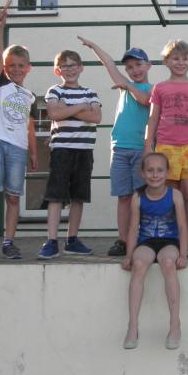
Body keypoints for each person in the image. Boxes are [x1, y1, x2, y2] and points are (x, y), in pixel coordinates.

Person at [0, 0, 38, 261]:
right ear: (5, 67)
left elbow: (30, 126)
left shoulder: (30, 96)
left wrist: (34, 153)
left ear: (28, 68)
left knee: (13, 197)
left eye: (20, 65)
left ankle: (9, 242)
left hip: (18, 149)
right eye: (11, 65)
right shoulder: (1, 84)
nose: (16, 69)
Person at [79, 36, 152, 257]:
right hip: (119, 148)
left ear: (148, 65)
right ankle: (123, 239)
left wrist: (127, 85)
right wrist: (94, 45)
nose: (134, 70)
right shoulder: (125, 86)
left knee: (141, 196)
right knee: (123, 196)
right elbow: (109, 64)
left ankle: (143, 237)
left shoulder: (153, 89)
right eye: (129, 67)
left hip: (140, 149)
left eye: (138, 65)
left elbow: (144, 100)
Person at [145, 40, 188, 258]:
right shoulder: (159, 88)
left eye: (185, 59)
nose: (180, 63)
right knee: (169, 196)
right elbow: (153, 119)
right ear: (166, 61)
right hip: (166, 148)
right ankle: (170, 240)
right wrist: (148, 146)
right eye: (175, 58)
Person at [37, 49, 102, 259]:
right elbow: (54, 113)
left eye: (73, 65)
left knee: (78, 197)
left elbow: (96, 117)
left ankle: (72, 240)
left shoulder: (90, 93)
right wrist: (82, 108)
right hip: (61, 150)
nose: (70, 69)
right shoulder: (55, 90)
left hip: (84, 151)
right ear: (58, 70)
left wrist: (70, 108)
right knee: (56, 196)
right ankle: (51, 241)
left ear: (81, 68)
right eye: (64, 66)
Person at [122, 152, 188, 350]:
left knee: (168, 263)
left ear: (167, 172)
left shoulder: (175, 195)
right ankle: (133, 325)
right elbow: (133, 228)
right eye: (150, 170)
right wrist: (128, 255)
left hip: (169, 242)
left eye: (160, 170)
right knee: (139, 264)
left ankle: (174, 324)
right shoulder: (138, 197)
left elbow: (183, 226)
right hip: (147, 241)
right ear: (142, 173)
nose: (155, 175)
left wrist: (183, 254)